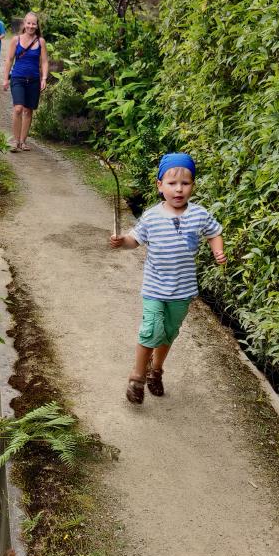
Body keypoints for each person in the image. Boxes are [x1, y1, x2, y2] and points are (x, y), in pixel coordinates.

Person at [109, 152, 226, 404]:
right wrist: (122, 242)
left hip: (182, 291)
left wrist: (218, 249)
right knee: (151, 330)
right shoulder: (152, 216)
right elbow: (134, 240)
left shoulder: (199, 214)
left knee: (168, 334)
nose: (179, 189)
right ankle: (137, 377)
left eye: (185, 183)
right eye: (172, 183)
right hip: (154, 289)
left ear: (193, 185)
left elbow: (214, 232)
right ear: (160, 186)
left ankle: (156, 371)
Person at [1, 11, 49, 152]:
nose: (31, 26)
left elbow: (45, 61)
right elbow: (9, 59)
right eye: (28, 23)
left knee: (28, 111)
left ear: (37, 25)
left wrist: (44, 78)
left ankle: (23, 141)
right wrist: (5, 79)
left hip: (34, 80)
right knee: (18, 108)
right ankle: (15, 141)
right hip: (18, 78)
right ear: (24, 24)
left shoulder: (41, 41)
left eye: (34, 23)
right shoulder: (16, 40)